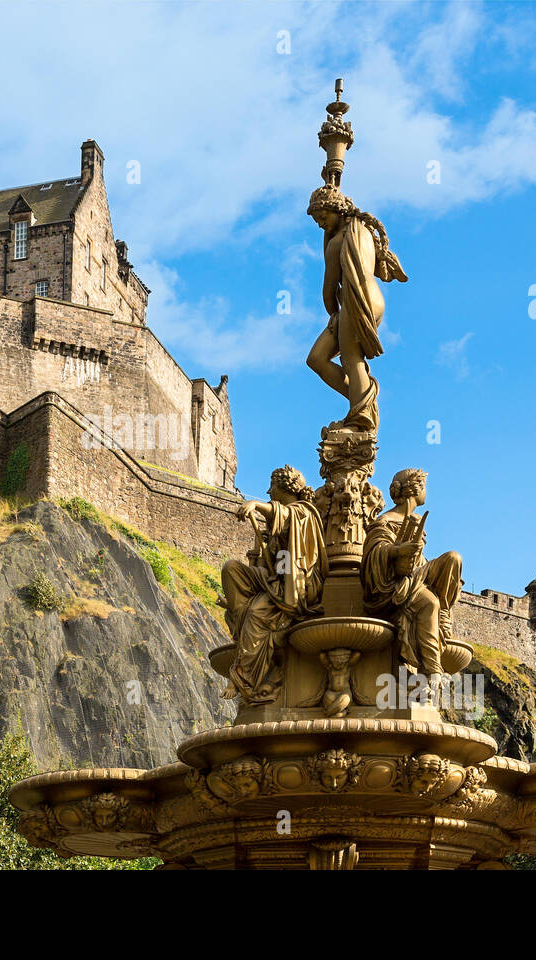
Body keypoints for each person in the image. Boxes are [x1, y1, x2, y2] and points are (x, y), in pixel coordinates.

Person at [221, 465, 327, 704]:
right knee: (232, 570)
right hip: (275, 580)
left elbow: (286, 516)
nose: (268, 491)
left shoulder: (304, 512)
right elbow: (272, 562)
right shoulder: (279, 520)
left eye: (272, 486)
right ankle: (241, 618)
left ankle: (243, 677)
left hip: (297, 586)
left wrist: (256, 505)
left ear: (285, 487)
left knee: (257, 613)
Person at [304, 183, 407, 432]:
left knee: (351, 358)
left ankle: (362, 418)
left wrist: (334, 314)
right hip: (374, 300)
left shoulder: (337, 241)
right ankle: (362, 401)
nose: (319, 223)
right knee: (317, 359)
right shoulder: (361, 230)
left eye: (322, 217)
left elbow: (328, 290)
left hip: (355, 300)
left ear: (336, 210)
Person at [361, 468, 461, 693]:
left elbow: (419, 561)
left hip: (416, 575)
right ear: (414, 489)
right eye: (424, 486)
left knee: (453, 558)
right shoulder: (385, 521)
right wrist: (398, 551)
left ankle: (442, 609)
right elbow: (373, 553)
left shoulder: (414, 520)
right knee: (429, 603)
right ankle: (432, 669)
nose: (426, 491)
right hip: (394, 585)